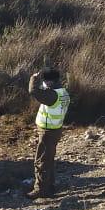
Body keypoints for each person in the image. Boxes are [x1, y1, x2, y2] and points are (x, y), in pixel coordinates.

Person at [26, 67, 70, 199]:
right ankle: (49, 186)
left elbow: (33, 91)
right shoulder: (63, 92)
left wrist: (33, 78)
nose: (43, 83)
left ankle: (41, 190)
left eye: (44, 81)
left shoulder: (53, 95)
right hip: (56, 129)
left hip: (47, 131)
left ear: (49, 81)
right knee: (49, 159)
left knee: (42, 160)